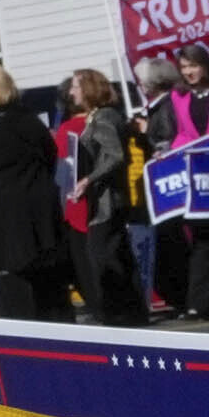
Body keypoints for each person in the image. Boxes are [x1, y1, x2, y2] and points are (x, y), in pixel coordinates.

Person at [0, 65, 75, 320]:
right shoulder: (31, 124)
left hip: (6, 228)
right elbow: (50, 160)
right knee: (54, 301)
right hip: (44, 222)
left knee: (18, 309)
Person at [56, 74, 145, 320]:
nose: (71, 93)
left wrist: (89, 179)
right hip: (104, 198)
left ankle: (118, 311)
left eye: (75, 87)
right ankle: (132, 311)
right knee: (116, 254)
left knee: (103, 256)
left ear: (88, 90)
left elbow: (115, 156)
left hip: (107, 200)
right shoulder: (100, 116)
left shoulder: (104, 117)